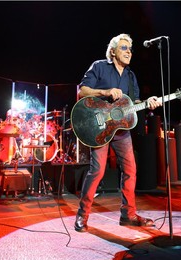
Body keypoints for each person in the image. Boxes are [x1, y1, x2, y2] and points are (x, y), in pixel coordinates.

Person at [74, 33, 162, 232]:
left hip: (121, 130)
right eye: (124, 48)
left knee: (130, 170)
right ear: (113, 51)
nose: (129, 52)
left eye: (130, 49)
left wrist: (148, 103)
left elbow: (134, 103)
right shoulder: (99, 66)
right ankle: (82, 215)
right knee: (97, 171)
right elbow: (82, 91)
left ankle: (128, 215)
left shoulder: (131, 76)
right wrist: (105, 92)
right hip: (99, 128)